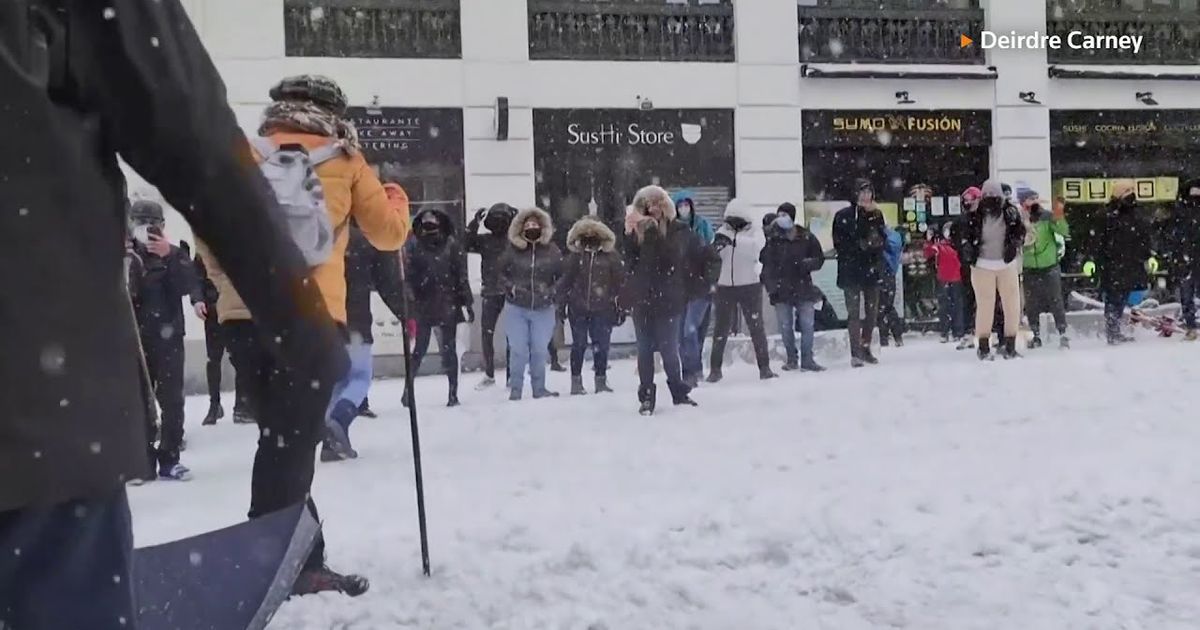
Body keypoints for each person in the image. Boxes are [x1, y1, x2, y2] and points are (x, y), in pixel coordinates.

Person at [2, 2, 353, 624]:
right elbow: (186, 128)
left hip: (53, 387)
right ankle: (287, 541)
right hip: (35, 404)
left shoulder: (290, 154)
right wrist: (299, 312)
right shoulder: (339, 161)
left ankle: (286, 538)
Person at [200, 74, 410, 595]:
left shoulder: (244, 155)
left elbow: (206, 228)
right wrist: (395, 197)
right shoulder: (344, 159)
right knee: (291, 443)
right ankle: (275, 561)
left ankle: (295, 557)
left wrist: (230, 283)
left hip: (244, 320)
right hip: (311, 319)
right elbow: (388, 234)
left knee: (281, 439)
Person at [322, 218, 409, 462]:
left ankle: (332, 442)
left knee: (336, 381)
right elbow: (388, 283)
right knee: (359, 377)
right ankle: (338, 421)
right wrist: (406, 313)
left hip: (322, 322)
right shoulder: (363, 240)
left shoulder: (317, 235)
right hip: (355, 322)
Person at [127, 200, 197, 482]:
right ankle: (142, 462)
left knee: (172, 401)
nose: (145, 231)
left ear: (162, 227)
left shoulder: (176, 254)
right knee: (138, 402)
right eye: (140, 223)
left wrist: (169, 256)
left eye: (151, 224)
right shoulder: (125, 256)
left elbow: (186, 285)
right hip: (135, 339)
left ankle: (170, 457)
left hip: (168, 337)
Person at [621, 186, 699, 415]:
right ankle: (646, 396)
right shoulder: (638, 232)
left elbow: (670, 258)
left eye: (657, 205)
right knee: (644, 351)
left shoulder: (677, 230)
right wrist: (628, 234)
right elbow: (632, 262)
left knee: (669, 351)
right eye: (648, 206)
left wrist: (653, 233)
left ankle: (678, 391)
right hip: (643, 299)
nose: (653, 209)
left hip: (668, 299)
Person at [402, 208, 474, 409]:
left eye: (433, 224)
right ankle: (408, 390)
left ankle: (453, 393)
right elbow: (408, 276)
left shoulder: (451, 246)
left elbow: (461, 276)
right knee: (420, 350)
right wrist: (410, 297)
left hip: (447, 303)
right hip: (425, 304)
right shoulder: (415, 247)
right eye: (426, 225)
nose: (430, 228)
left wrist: (467, 302)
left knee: (449, 351)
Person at [499, 208, 564, 400]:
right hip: (516, 307)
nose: (531, 228)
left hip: (543, 308)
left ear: (543, 227)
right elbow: (500, 274)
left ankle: (539, 388)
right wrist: (512, 288)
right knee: (518, 349)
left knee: (539, 349)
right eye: (527, 225)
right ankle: (516, 389)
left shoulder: (552, 250)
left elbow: (562, 276)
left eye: (535, 225)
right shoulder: (511, 250)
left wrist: (552, 291)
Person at [709, 199, 776, 382]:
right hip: (724, 286)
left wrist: (734, 241)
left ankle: (764, 367)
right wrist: (715, 248)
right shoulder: (721, 232)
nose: (732, 225)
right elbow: (712, 257)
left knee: (756, 327)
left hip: (749, 285)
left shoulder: (755, 233)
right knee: (720, 329)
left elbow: (756, 249)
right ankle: (715, 369)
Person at [558, 217, 626, 395]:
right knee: (579, 344)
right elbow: (565, 282)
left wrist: (622, 306)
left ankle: (601, 380)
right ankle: (576, 382)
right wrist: (561, 306)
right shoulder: (575, 257)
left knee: (601, 345)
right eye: (586, 234)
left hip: (603, 308)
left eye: (594, 234)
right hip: (577, 308)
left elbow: (620, 282)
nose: (590, 238)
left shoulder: (611, 257)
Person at [960, 180, 1027, 360]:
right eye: (987, 196)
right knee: (985, 306)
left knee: (1012, 305)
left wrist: (1014, 244)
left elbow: (1020, 232)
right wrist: (968, 250)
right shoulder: (974, 215)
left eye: (994, 196)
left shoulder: (1011, 213)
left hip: (1006, 264)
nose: (990, 199)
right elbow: (965, 236)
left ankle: (1010, 345)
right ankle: (983, 347)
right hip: (982, 265)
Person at [760, 212, 826, 372]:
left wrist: (807, 264)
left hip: (803, 288)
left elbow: (819, 258)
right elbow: (766, 268)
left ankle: (807, 359)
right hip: (782, 291)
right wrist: (772, 289)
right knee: (785, 327)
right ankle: (792, 358)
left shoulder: (807, 238)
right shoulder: (774, 242)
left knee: (807, 325)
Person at [833, 179, 887, 367]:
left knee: (872, 312)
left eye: (868, 192)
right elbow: (839, 243)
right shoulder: (843, 215)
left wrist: (876, 242)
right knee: (854, 313)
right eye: (862, 192)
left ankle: (865, 347)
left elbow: (883, 239)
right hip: (850, 271)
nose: (865, 196)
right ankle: (855, 352)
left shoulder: (876, 214)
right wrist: (859, 245)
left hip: (871, 269)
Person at [1095, 181, 1153, 345]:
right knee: (1114, 298)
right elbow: (1100, 241)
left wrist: (1145, 254)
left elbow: (1144, 237)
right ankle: (1112, 331)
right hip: (1115, 264)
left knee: (1121, 296)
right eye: (1128, 191)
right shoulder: (1109, 216)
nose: (1131, 194)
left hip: (1129, 263)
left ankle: (1114, 329)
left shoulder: (1135, 214)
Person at [466, 203, 517, 387]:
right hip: (494, 291)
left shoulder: (512, 241)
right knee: (489, 333)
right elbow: (466, 243)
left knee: (503, 334)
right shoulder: (489, 241)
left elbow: (467, 242)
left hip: (506, 290)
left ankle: (509, 375)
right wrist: (474, 223)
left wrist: (474, 224)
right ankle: (492, 374)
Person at [674, 190, 718, 387]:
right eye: (680, 205)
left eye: (686, 204)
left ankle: (692, 370)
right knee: (686, 333)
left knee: (690, 331)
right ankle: (692, 370)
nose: (684, 208)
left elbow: (713, 257)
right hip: (681, 291)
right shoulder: (671, 236)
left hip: (699, 289)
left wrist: (710, 281)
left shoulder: (698, 233)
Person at [1019, 189, 1071, 350]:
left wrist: (1059, 215)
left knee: (1056, 300)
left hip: (1049, 265)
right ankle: (1035, 335)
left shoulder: (1047, 216)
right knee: (1031, 303)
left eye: (1036, 198)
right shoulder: (1019, 219)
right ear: (1022, 203)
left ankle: (1063, 333)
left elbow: (1064, 232)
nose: (1034, 201)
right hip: (1029, 267)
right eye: (1030, 199)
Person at [1167, 179, 1200, 340]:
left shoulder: (1180, 212)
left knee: (1187, 294)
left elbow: (1175, 237)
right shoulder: (1181, 213)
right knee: (1188, 294)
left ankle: (1191, 326)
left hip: (1186, 258)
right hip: (1187, 258)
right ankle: (1191, 325)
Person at [923, 229, 967, 346]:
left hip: (945, 278)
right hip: (954, 278)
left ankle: (946, 331)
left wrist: (928, 242)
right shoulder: (956, 246)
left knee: (945, 306)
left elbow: (928, 253)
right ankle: (956, 332)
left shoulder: (939, 246)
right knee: (955, 305)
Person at [878, 225, 906, 348]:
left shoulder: (884, 238)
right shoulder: (896, 240)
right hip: (890, 275)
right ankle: (897, 335)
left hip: (881, 273)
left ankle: (883, 336)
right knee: (888, 306)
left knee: (880, 307)